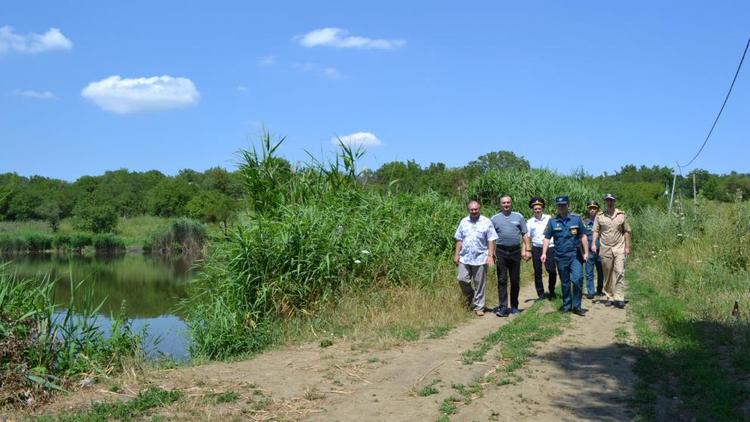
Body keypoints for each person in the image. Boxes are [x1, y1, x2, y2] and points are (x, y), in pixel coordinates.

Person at [541, 196, 589, 316]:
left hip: (575, 255)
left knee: (578, 279)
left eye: (563, 205)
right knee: (565, 282)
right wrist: (544, 253)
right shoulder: (552, 222)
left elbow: (583, 236)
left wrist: (586, 252)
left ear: (568, 205)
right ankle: (567, 305)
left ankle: (577, 306)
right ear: (557, 206)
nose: (561, 207)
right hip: (560, 256)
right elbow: (547, 238)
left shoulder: (576, 219)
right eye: (559, 205)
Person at [454, 200, 498, 316]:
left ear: (479, 209)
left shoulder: (486, 221)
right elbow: (459, 239)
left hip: (480, 257)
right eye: (471, 209)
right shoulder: (464, 221)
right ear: (468, 210)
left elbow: (491, 239)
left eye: (476, 209)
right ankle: (471, 297)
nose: (474, 211)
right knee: (462, 279)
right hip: (465, 257)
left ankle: (479, 307)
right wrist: (456, 254)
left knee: (480, 283)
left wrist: (490, 255)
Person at [490, 195, 531, 317]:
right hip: (501, 252)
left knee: (515, 280)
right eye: (503, 203)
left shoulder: (519, 217)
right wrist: (490, 254)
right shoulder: (494, 219)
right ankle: (503, 307)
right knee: (502, 280)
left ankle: (514, 307)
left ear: (511, 203)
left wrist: (528, 249)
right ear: (500, 204)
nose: (506, 205)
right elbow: (491, 238)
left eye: (508, 202)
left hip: (515, 252)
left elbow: (524, 234)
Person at [591, 193, 632, 309]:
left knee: (619, 271)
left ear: (614, 202)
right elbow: (595, 231)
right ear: (605, 202)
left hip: (619, 247)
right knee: (607, 273)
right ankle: (609, 296)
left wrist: (627, 247)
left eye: (611, 201)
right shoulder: (600, 216)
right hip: (605, 248)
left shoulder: (621, 215)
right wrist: (594, 244)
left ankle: (619, 297)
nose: (609, 203)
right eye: (607, 201)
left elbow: (627, 231)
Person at [526, 197, 557, 301]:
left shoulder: (550, 218)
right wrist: (526, 250)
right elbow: (527, 237)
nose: (537, 210)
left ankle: (551, 290)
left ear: (542, 208)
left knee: (552, 270)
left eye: (539, 208)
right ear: (532, 209)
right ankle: (541, 294)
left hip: (550, 247)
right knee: (537, 272)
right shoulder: (530, 222)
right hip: (537, 248)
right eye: (535, 209)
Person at [584, 200, 604, 299]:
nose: (592, 210)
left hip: (602, 251)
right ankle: (590, 292)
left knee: (601, 272)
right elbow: (582, 237)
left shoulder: (603, 222)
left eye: (594, 208)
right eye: (590, 208)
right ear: (588, 210)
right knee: (589, 272)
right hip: (590, 251)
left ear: (598, 210)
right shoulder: (585, 223)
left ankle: (600, 290)